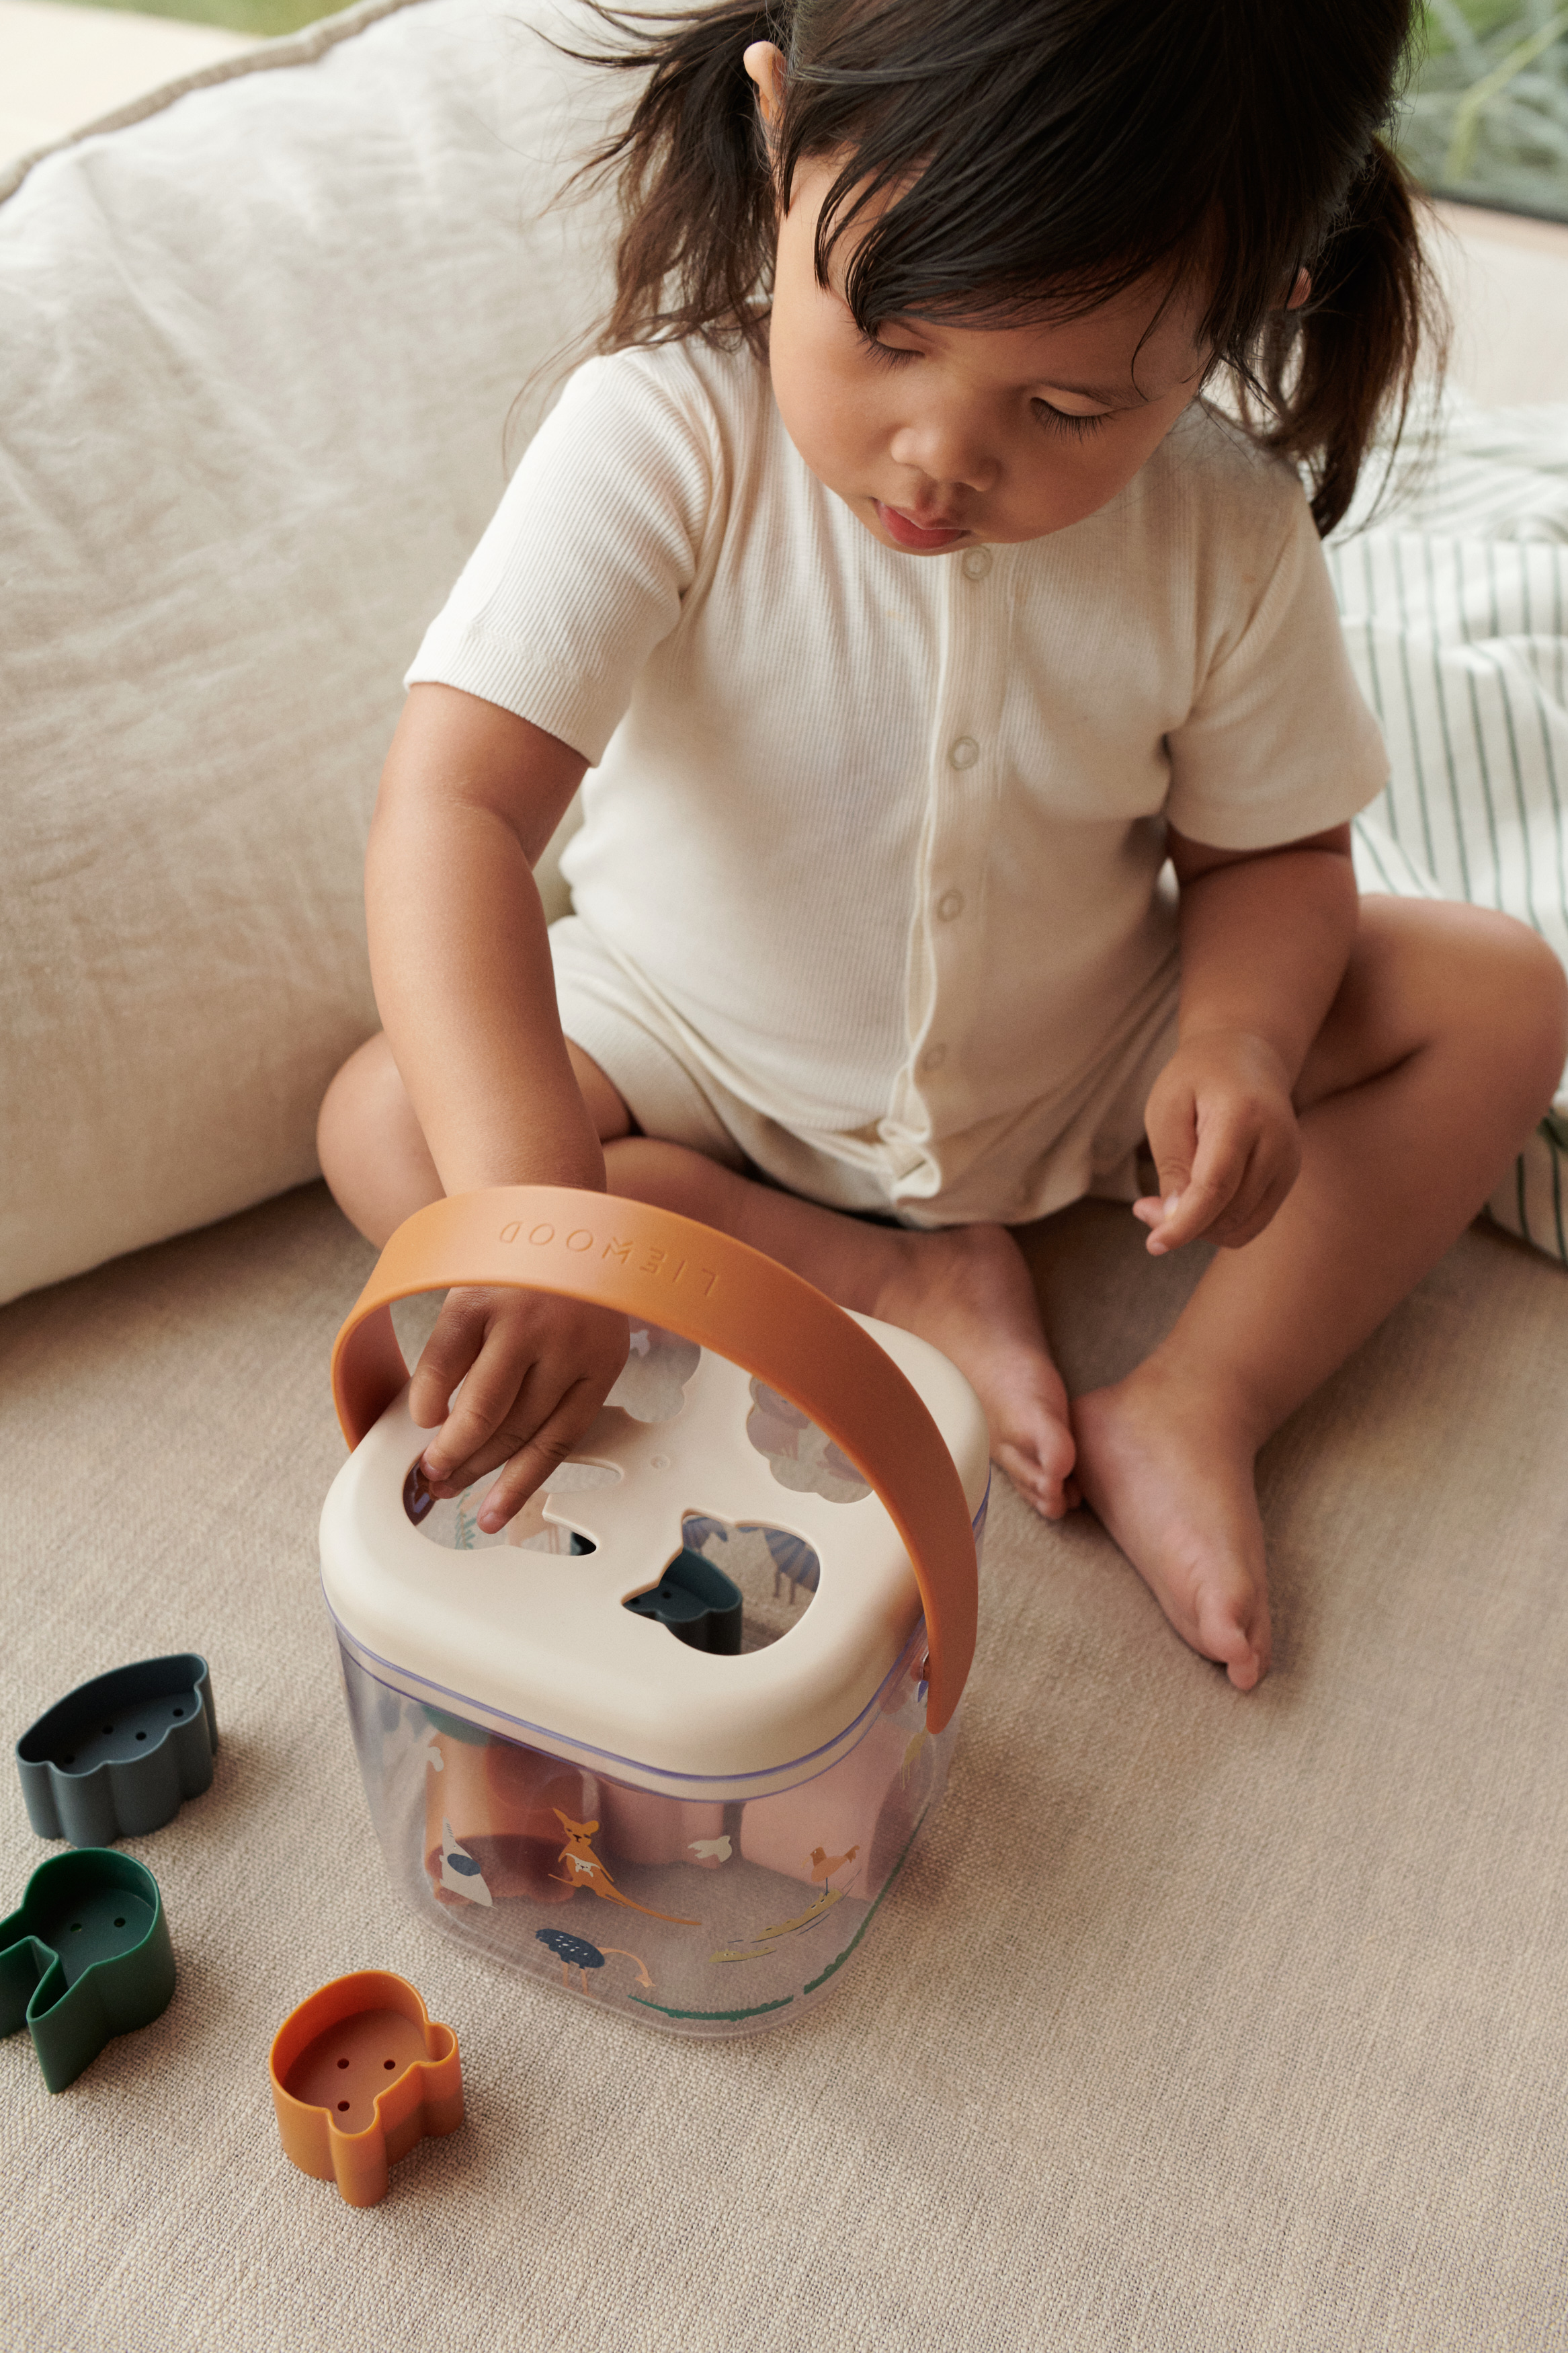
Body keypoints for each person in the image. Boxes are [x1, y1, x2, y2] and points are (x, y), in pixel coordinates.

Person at [318, 0, 1568, 1691]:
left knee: (1500, 997)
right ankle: (869, 1276)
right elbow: (455, 806)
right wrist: (543, 1214)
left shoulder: (1226, 529)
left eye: (1067, 408)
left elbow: (1274, 858)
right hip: (693, 1043)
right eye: (889, 334)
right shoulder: (664, 439)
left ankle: (1197, 1404)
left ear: (1251, 307)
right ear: (780, 133)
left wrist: (1239, 1043)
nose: (943, 456)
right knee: (391, 1123)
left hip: (1085, 1052)